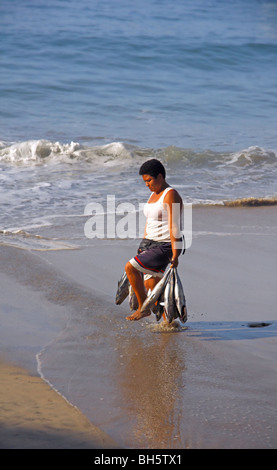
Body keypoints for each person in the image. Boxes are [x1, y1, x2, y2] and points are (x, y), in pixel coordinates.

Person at [125, 158, 183, 321]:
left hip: (164, 245)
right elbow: (149, 222)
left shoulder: (171, 195)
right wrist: (142, 245)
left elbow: (175, 226)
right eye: (144, 181)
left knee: (130, 268)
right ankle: (169, 323)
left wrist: (175, 254)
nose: (147, 184)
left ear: (160, 176)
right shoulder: (153, 195)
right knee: (152, 286)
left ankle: (143, 309)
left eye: (149, 180)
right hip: (149, 244)